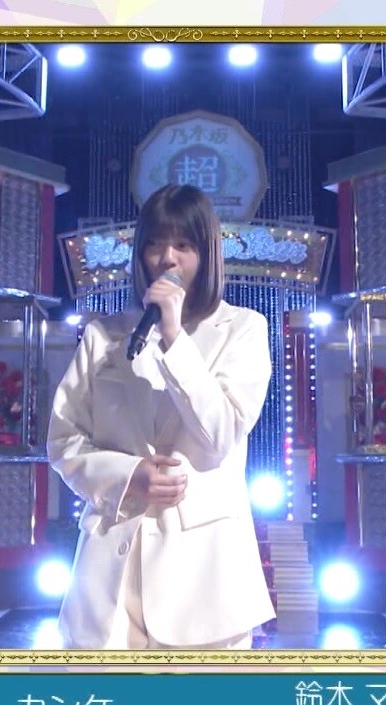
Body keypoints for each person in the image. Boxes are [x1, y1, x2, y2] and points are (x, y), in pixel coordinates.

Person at [48, 184, 275, 650]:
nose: (167, 258)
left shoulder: (243, 329)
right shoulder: (103, 335)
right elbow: (63, 439)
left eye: (183, 245)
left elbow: (221, 435)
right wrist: (128, 475)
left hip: (204, 581)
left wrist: (174, 336)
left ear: (207, 254)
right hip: (110, 572)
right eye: (155, 243)